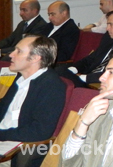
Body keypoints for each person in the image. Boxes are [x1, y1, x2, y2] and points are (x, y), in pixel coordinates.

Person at [0, 35, 65, 166]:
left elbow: (39, 131)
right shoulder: (21, 78)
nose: (11, 55)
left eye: (19, 51)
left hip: (16, 148)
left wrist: (2, 135)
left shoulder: (51, 86)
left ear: (35, 58)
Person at [55, 8, 113, 87]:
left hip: (102, 83)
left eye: (111, 24)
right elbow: (91, 58)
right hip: (89, 76)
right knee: (59, 70)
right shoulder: (108, 38)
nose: (107, 28)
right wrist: (74, 68)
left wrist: (84, 78)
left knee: (60, 75)